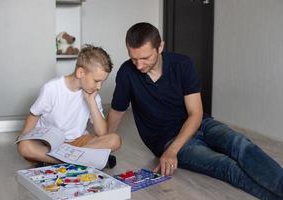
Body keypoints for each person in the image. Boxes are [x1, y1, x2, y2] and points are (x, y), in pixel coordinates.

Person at [107, 22, 283, 199]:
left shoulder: (182, 64)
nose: (138, 65)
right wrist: (102, 146)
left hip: (201, 124)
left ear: (160, 47)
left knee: (240, 143)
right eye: (133, 58)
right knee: (225, 165)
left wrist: (172, 152)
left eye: (145, 58)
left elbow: (195, 114)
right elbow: (117, 111)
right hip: (166, 139)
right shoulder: (127, 72)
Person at [18, 44, 121, 168]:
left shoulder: (93, 95)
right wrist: (24, 136)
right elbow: (34, 115)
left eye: (102, 82)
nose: (99, 87)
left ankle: (60, 160)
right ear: (80, 72)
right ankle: (80, 159)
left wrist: (91, 102)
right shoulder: (52, 88)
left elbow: (103, 133)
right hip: (49, 142)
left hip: (77, 142)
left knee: (115, 140)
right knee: (25, 147)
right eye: (96, 81)